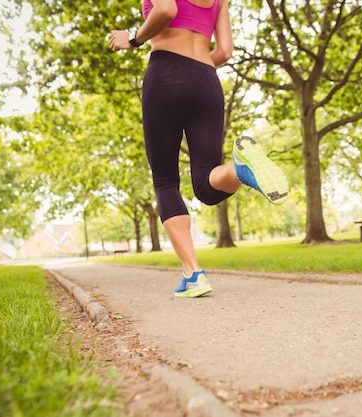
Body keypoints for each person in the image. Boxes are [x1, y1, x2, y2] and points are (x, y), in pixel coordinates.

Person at [107, 0, 288, 298]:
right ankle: (239, 169)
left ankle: (193, 274)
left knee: (166, 181)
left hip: (165, 74)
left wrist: (133, 38)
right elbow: (225, 51)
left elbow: (166, 10)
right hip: (206, 79)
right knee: (206, 183)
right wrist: (196, 70)